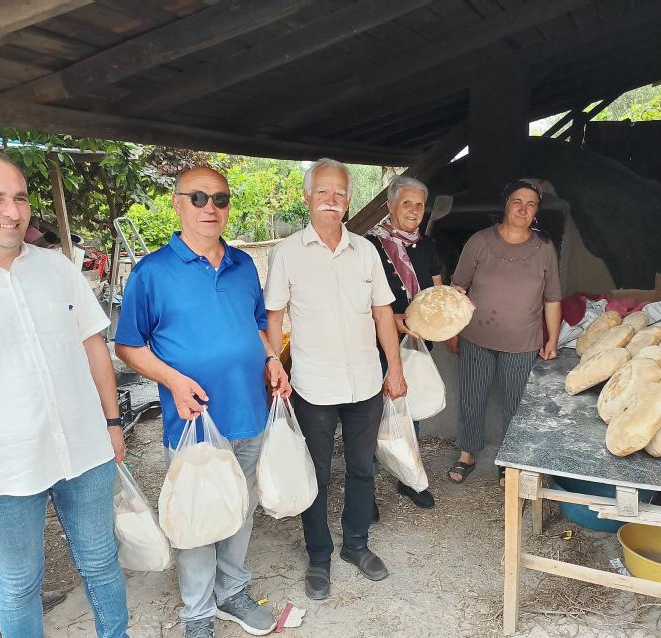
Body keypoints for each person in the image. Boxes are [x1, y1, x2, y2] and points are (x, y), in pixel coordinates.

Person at [0, 150, 129, 638]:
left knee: (102, 565)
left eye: (20, 198)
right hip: (4, 468)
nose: (12, 211)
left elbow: (94, 347)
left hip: (85, 451)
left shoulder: (57, 268)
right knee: (18, 582)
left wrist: (113, 422)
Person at [114, 166, 290, 638]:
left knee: (240, 504)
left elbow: (257, 325)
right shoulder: (152, 272)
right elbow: (127, 346)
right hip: (192, 418)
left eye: (220, 198)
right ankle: (197, 613)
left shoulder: (243, 265)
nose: (210, 207)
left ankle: (231, 590)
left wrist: (272, 360)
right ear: (177, 204)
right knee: (197, 511)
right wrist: (172, 380)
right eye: (198, 198)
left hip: (249, 408)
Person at [264, 158, 407, 601]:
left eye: (340, 193)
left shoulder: (365, 251)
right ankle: (320, 555)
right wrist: (275, 367)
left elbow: (384, 313)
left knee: (363, 469)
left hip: (365, 382)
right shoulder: (287, 253)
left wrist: (395, 368)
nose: (332, 200)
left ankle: (356, 545)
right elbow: (274, 318)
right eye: (323, 192)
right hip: (312, 386)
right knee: (318, 474)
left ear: (348, 201)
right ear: (307, 197)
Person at [447, 180, 562, 487]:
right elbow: (458, 288)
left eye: (531, 204)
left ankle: (509, 461)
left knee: (516, 403)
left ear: (536, 211)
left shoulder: (544, 247)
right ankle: (468, 453)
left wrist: (552, 338)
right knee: (472, 397)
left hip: (522, 342)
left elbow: (552, 298)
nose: (523, 209)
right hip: (476, 336)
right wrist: (451, 329)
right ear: (506, 204)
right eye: (517, 201)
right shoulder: (480, 242)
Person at [365, 175, 442, 511]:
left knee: (410, 409)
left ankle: (408, 479)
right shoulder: (369, 245)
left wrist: (449, 303)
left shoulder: (427, 246)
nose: (414, 210)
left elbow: (436, 290)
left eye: (419, 204)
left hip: (415, 342)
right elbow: (359, 298)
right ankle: (364, 489)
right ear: (390, 206)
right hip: (375, 345)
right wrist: (391, 321)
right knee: (369, 414)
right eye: (406, 203)